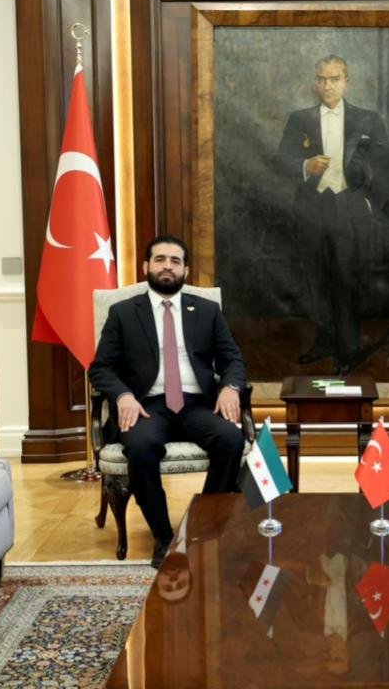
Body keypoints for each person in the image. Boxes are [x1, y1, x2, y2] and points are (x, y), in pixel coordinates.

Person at [88, 236, 246, 567]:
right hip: (146, 406)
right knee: (141, 447)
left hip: (197, 403)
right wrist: (123, 395)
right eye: (160, 259)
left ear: (185, 270)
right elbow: (100, 367)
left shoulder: (207, 311)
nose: (167, 267)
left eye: (175, 261)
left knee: (231, 439)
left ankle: (201, 529)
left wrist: (231, 387)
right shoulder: (123, 313)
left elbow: (232, 358)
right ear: (146, 266)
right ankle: (163, 538)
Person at [274, 54, 389, 374]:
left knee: (346, 278)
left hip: (348, 207)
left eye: (335, 79)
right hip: (311, 208)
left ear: (346, 82)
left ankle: (349, 349)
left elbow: (387, 166)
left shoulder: (368, 120)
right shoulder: (299, 119)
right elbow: (280, 160)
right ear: (316, 83)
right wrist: (305, 165)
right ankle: (325, 341)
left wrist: (370, 203)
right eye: (322, 80)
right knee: (315, 278)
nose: (328, 86)